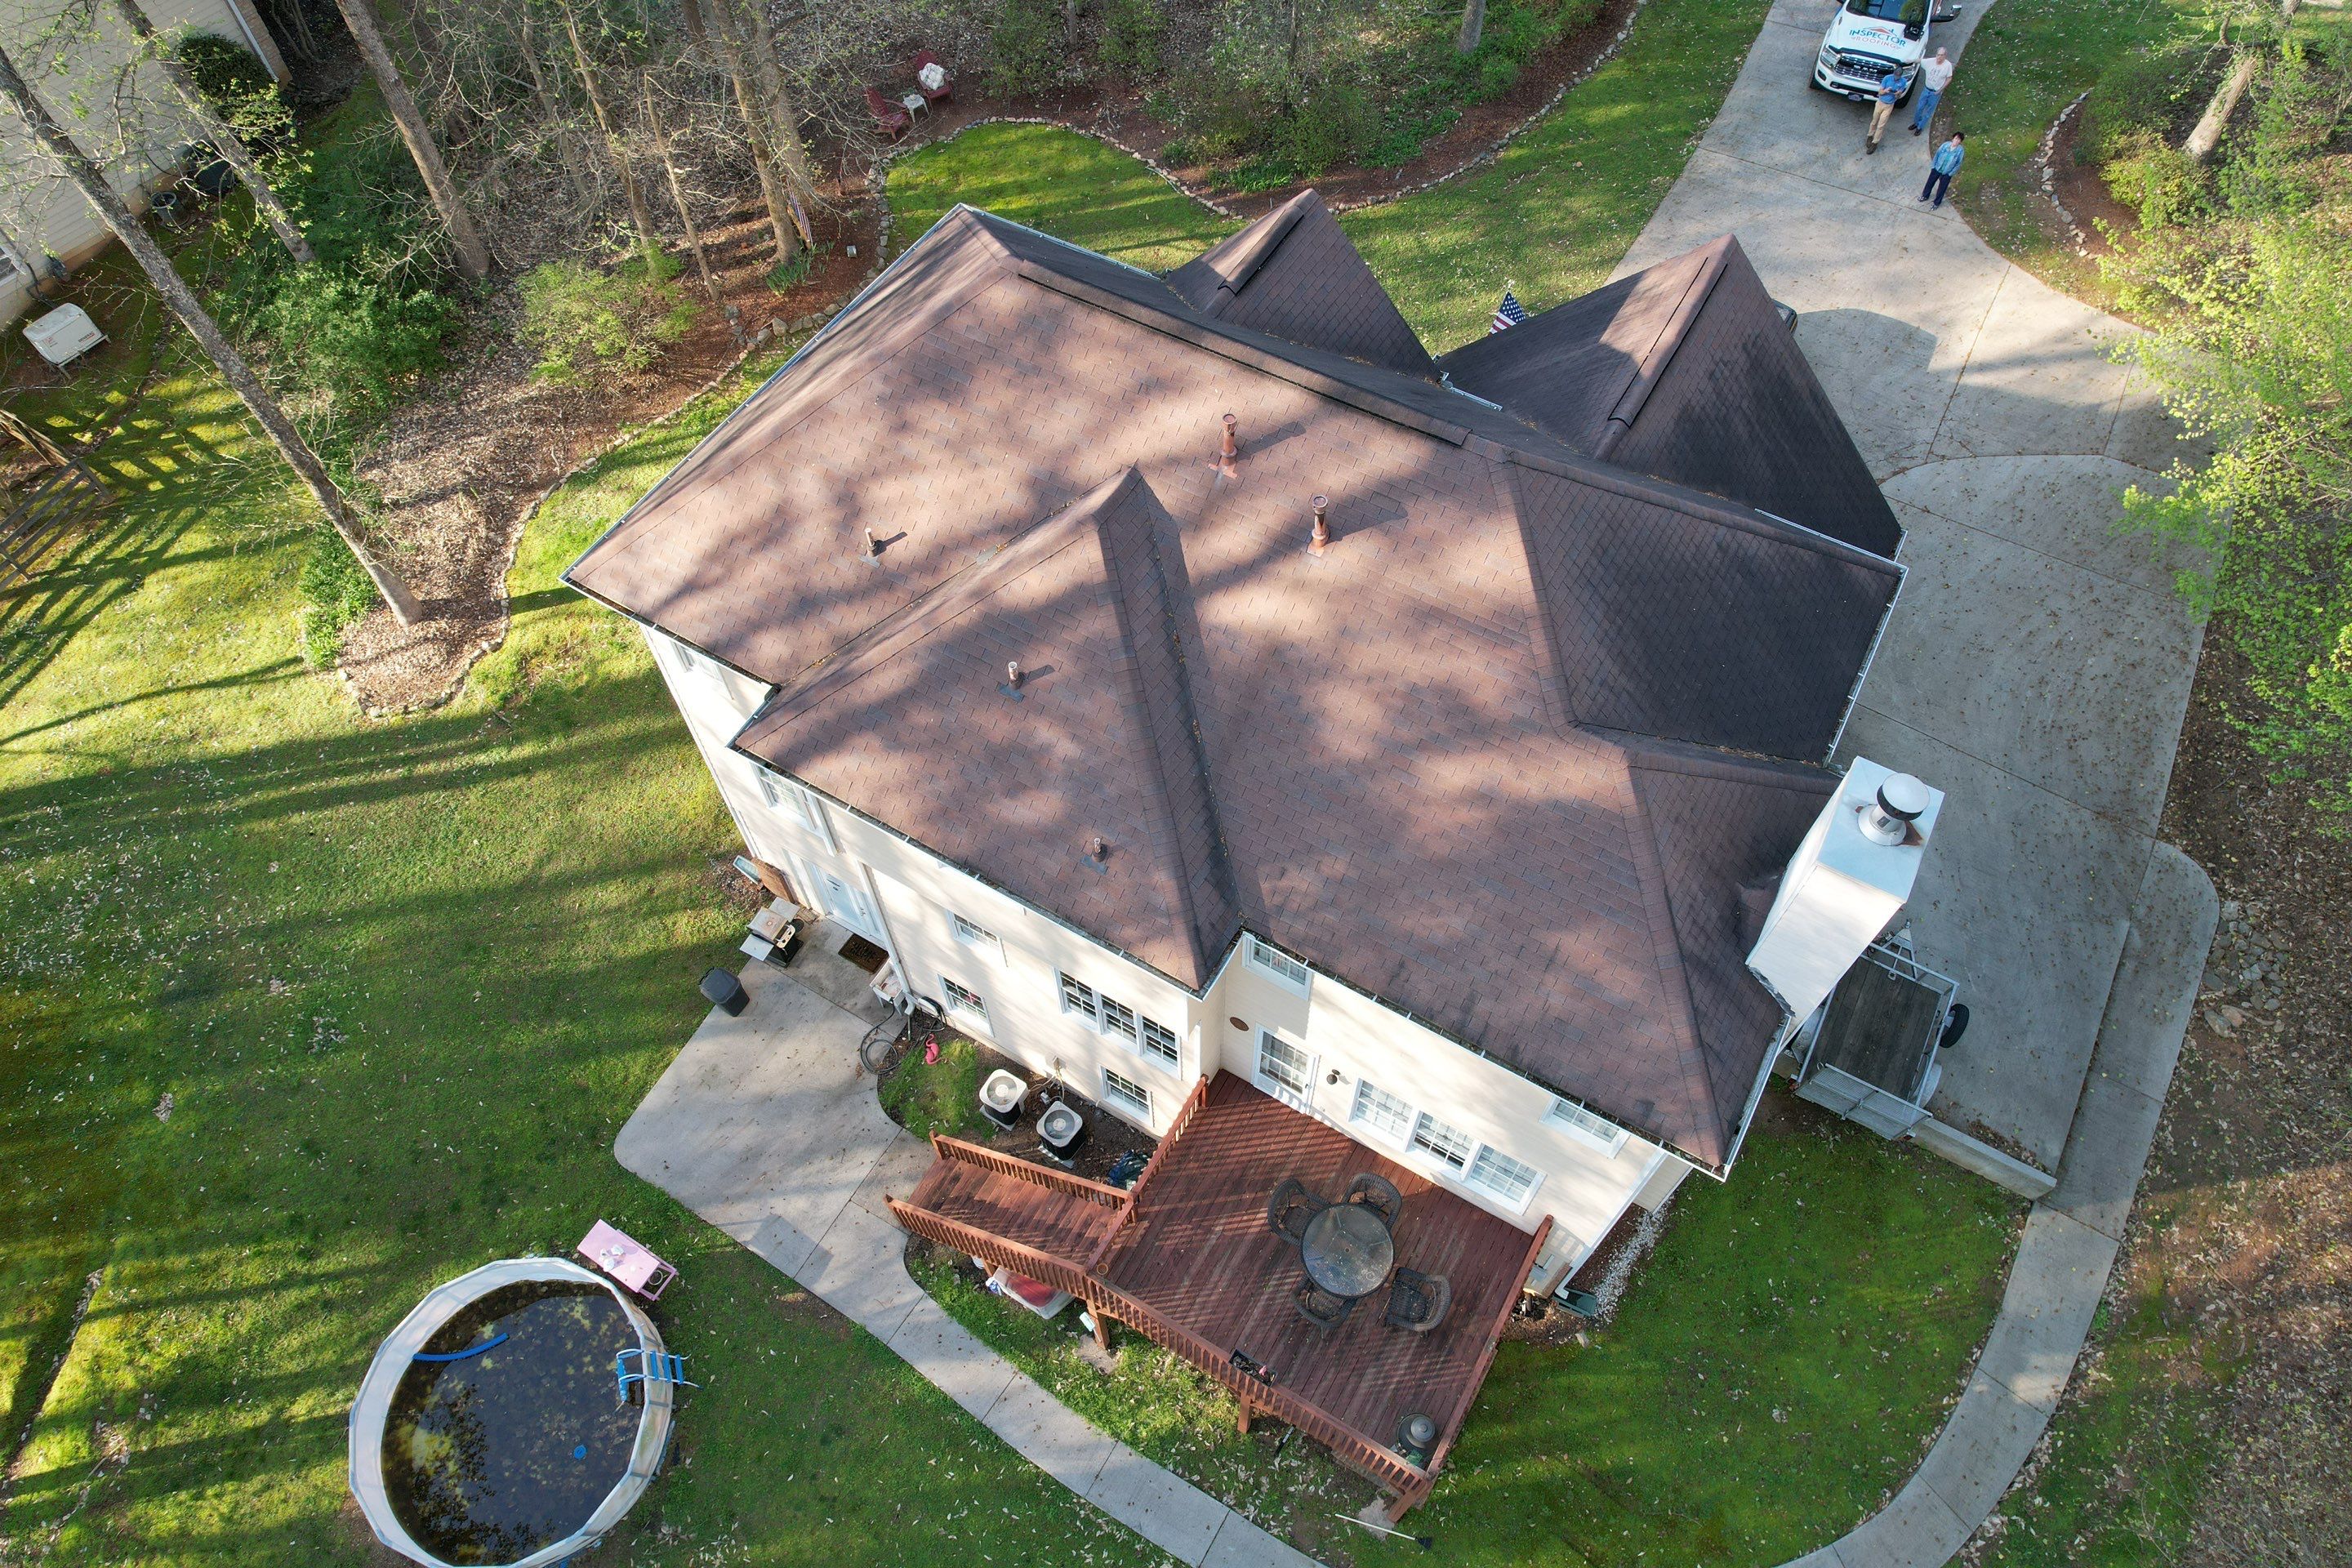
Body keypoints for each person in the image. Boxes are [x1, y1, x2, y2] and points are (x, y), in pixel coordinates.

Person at [1866, 65, 1914, 154]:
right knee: (1874, 121)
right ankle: (1870, 135)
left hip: (1889, 105)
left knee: (1881, 125)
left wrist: (1898, 94)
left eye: (1898, 76)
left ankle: (1875, 142)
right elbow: (1880, 92)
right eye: (1896, 76)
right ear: (1894, 73)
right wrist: (1885, 91)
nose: (1896, 78)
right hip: (1880, 103)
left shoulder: (1903, 82)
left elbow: (1899, 95)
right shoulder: (1887, 78)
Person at [1911, 47, 1954, 135]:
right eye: (1938, 55)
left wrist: (1940, 90)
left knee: (1928, 111)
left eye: (1942, 55)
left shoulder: (1947, 65)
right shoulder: (1930, 61)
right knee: (1919, 107)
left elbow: (1949, 78)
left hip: (1935, 93)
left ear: (1945, 56)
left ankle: (1920, 127)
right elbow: (1920, 61)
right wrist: (1908, 60)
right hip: (1926, 89)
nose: (1939, 57)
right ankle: (1916, 123)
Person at [1922, 131, 1965, 207]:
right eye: (1956, 138)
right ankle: (1925, 196)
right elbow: (1937, 155)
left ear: (1960, 142)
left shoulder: (1960, 151)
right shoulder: (1945, 145)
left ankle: (1936, 203)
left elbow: (1958, 163)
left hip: (1947, 172)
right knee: (1930, 183)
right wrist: (1933, 166)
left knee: (1942, 188)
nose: (1956, 141)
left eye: (1959, 140)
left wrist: (1950, 173)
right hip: (1937, 168)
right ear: (1953, 139)